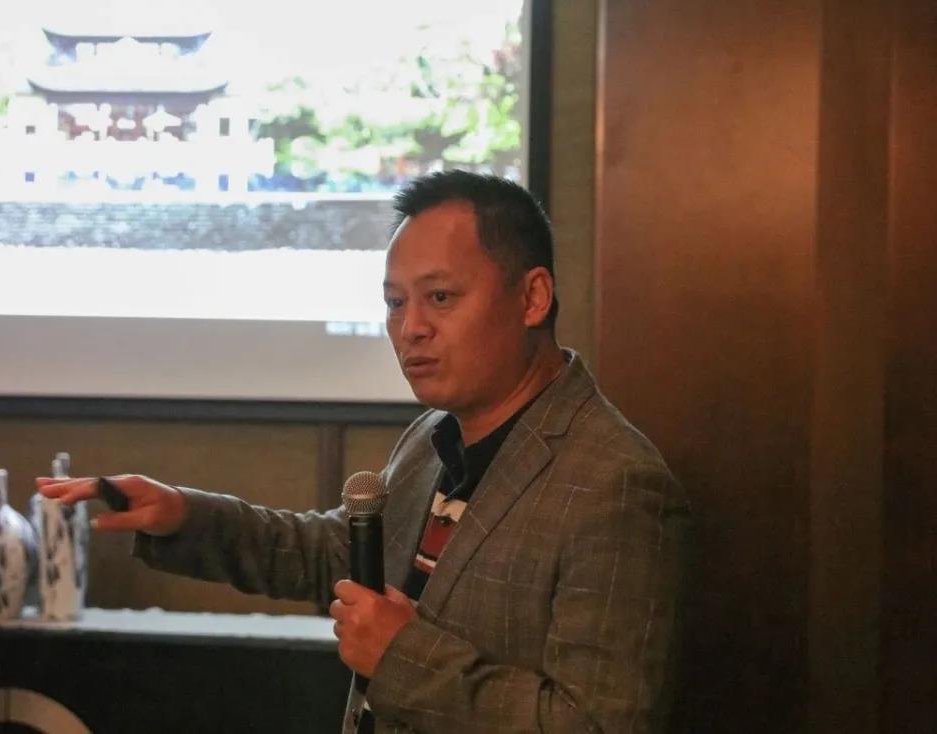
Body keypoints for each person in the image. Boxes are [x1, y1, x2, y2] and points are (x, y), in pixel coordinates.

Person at [38, 170, 690, 733]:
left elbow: (599, 723)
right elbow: (338, 555)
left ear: (532, 297)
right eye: (395, 303)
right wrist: (182, 514)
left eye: (440, 298)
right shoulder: (435, 434)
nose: (411, 328)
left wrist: (402, 657)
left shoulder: (615, 484)